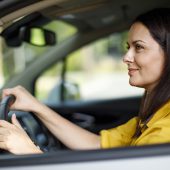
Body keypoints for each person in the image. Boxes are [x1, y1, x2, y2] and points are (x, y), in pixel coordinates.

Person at [0, 8, 170, 155]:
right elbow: (96, 144)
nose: (126, 57)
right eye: (128, 47)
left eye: (139, 47)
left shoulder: (165, 130)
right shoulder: (154, 115)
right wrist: (36, 106)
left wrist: (29, 151)